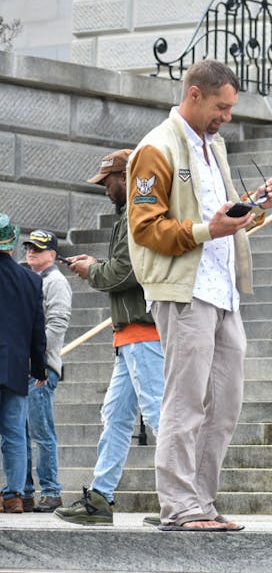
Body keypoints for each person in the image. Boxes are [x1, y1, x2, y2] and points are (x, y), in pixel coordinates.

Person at [127, 59, 272, 532]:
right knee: (185, 401)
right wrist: (206, 230)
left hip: (223, 291)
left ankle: (202, 502)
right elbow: (145, 227)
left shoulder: (214, 146)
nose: (227, 117)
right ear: (194, 95)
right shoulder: (156, 147)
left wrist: (254, 206)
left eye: (231, 108)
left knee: (225, 404)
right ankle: (179, 506)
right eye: (222, 106)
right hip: (184, 291)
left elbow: (220, 217)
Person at [55, 149, 165, 526]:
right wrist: (95, 266)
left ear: (125, 177)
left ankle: (183, 498)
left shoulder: (137, 214)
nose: (104, 189)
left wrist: (91, 271)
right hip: (132, 334)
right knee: (116, 416)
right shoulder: (130, 215)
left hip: (143, 333)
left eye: (108, 181)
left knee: (159, 415)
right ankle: (101, 497)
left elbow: (125, 272)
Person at [21, 228, 72, 513]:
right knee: (21, 434)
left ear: (52, 254)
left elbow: (57, 324)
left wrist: (36, 359)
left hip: (41, 369)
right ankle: (25, 492)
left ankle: (51, 492)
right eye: (29, 247)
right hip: (23, 368)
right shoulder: (29, 279)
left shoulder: (56, 282)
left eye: (38, 249)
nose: (31, 252)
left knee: (41, 433)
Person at [0, 214, 47, 514]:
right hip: (16, 367)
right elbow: (37, 329)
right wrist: (40, 368)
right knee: (15, 433)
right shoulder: (31, 280)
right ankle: (14, 495)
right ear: (12, 244)